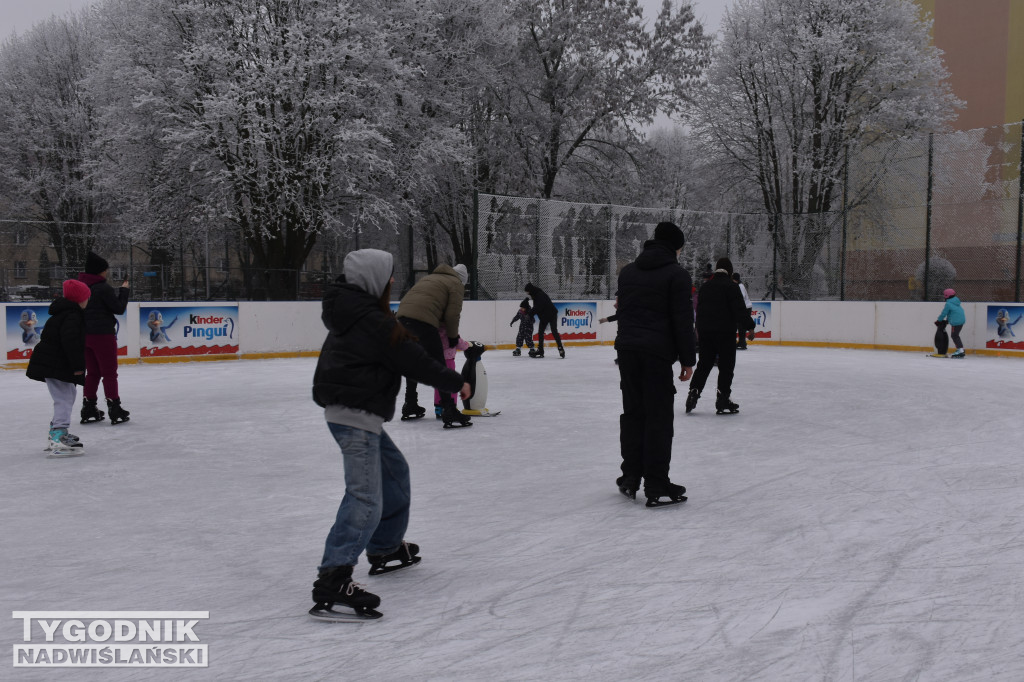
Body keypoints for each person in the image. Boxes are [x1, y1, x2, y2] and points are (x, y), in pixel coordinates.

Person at [310, 249, 471, 620]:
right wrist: (454, 381)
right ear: (374, 281)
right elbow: (412, 360)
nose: (394, 282)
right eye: (389, 276)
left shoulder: (355, 313)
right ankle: (334, 576)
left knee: (394, 473)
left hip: (349, 411)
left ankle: (384, 547)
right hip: (356, 415)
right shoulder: (371, 320)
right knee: (365, 496)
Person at [613, 221, 696, 507]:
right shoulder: (677, 275)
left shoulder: (628, 273)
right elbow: (683, 321)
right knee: (659, 419)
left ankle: (630, 476)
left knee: (633, 414)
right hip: (657, 355)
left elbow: (623, 312)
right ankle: (657, 483)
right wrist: (688, 359)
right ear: (676, 247)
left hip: (627, 352)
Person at [395, 263, 471, 426]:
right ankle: (449, 409)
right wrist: (452, 337)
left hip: (402, 319)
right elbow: (452, 314)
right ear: (462, 280)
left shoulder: (430, 278)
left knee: (412, 362)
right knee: (439, 364)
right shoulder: (456, 283)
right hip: (423, 322)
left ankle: (410, 404)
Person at [26, 280, 91, 456]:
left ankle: (56, 432)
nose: (88, 301)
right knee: (64, 398)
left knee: (68, 395)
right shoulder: (72, 316)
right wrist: (78, 367)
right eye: (86, 298)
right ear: (79, 300)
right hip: (57, 365)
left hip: (55, 364)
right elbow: (71, 342)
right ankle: (58, 435)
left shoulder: (65, 314)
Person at [686, 258, 756, 415]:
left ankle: (694, 391)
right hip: (725, 333)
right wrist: (750, 327)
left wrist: (700, 331)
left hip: (706, 332)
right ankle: (722, 398)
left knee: (704, 364)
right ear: (729, 271)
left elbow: (700, 311)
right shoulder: (732, 287)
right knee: (726, 366)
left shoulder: (705, 287)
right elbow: (739, 310)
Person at [77, 251, 131, 424]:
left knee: (92, 372)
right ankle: (114, 407)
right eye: (105, 270)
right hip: (103, 336)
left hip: (85, 335)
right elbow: (119, 308)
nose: (106, 273)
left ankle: (89, 407)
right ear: (99, 271)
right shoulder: (103, 288)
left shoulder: (80, 286)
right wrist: (124, 291)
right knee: (109, 373)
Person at [434, 322, 470, 418]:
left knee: (439, 384)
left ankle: (438, 407)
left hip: (436, 361)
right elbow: (460, 344)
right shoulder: (450, 331)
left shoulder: (435, 330)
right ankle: (451, 407)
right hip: (448, 361)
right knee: (451, 383)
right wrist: (467, 345)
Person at [524, 282, 565, 358]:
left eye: (527, 291)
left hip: (552, 314)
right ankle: (540, 350)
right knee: (540, 332)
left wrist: (529, 314)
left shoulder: (539, 295)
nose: (527, 293)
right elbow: (537, 308)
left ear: (530, 290)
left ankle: (560, 349)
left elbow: (538, 307)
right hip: (544, 316)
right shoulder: (535, 294)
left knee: (554, 331)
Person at [937, 288, 966, 358]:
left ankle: (960, 350)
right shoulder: (956, 302)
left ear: (946, 296)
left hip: (956, 322)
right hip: (961, 320)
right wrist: (947, 320)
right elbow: (952, 313)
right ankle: (960, 349)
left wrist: (939, 320)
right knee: (956, 335)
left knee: (954, 336)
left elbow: (944, 313)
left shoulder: (948, 304)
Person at [732, 272, 753, 350]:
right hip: (744, 307)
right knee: (740, 325)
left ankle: (742, 342)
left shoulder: (740, 286)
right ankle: (741, 342)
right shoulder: (739, 285)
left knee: (741, 325)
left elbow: (742, 297)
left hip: (746, 307)